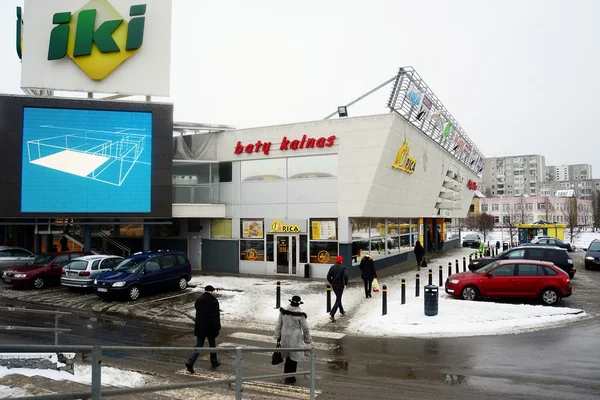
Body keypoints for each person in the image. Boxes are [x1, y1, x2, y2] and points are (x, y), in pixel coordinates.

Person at [273, 295, 312, 384]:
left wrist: (277, 336)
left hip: (285, 336)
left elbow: (279, 324)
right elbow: (305, 328)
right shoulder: (300, 314)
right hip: (295, 338)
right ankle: (291, 377)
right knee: (293, 358)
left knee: (287, 357)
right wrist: (307, 340)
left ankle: (287, 375)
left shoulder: (283, 311)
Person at [186, 285, 221, 373]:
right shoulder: (213, 301)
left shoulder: (199, 300)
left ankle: (190, 362)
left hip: (200, 327)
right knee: (212, 345)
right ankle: (214, 362)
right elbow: (215, 317)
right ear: (211, 292)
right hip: (210, 328)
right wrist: (217, 327)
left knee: (199, 346)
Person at [327, 256, 348, 322]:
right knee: (338, 299)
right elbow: (346, 275)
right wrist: (345, 283)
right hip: (340, 285)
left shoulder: (332, 267)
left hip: (334, 285)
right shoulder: (343, 267)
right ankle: (332, 314)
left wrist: (331, 282)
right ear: (341, 261)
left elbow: (328, 276)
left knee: (338, 297)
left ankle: (342, 311)